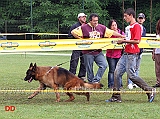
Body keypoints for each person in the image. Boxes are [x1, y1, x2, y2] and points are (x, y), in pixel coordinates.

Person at [105, 8, 156, 103]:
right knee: (116, 73)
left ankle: (150, 90)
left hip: (132, 54)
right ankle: (116, 96)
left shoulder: (136, 26)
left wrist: (124, 41)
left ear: (131, 15)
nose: (124, 18)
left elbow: (137, 41)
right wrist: (123, 41)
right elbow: (129, 39)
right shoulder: (129, 27)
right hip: (125, 53)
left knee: (132, 75)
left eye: (126, 16)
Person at [71, 13, 125, 83]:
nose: (96, 22)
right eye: (94, 21)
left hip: (98, 51)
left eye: (97, 20)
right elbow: (73, 32)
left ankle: (95, 80)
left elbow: (111, 32)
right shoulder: (83, 27)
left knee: (104, 65)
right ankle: (91, 83)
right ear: (90, 21)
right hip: (87, 52)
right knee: (89, 69)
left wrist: (121, 36)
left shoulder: (101, 27)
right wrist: (80, 38)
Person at [127, 13, 146, 89]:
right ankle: (130, 83)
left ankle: (136, 83)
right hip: (133, 50)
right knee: (131, 68)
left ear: (144, 19)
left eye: (142, 18)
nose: (140, 19)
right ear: (137, 18)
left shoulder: (144, 28)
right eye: (139, 18)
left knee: (137, 68)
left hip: (140, 50)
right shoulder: (134, 26)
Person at [106, 19, 125, 88]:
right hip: (110, 55)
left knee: (119, 70)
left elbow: (125, 39)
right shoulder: (108, 34)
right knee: (112, 70)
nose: (114, 27)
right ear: (110, 26)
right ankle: (111, 84)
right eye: (112, 25)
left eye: (115, 25)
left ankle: (119, 84)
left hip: (119, 54)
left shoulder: (121, 33)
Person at [68, 13, 87, 79]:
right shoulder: (74, 26)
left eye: (85, 17)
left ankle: (82, 76)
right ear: (79, 18)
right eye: (83, 17)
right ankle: (71, 75)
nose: (84, 18)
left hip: (85, 47)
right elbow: (69, 36)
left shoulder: (87, 26)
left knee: (84, 62)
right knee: (74, 61)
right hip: (76, 47)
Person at [152, 19, 160, 88]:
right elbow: (154, 45)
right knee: (157, 69)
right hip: (157, 52)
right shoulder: (157, 35)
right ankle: (158, 82)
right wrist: (153, 53)